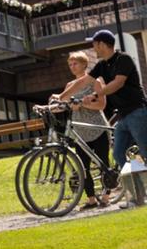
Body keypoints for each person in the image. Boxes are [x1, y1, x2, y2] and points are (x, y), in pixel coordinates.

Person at [58, 29, 147, 170]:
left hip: (137, 113)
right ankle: (140, 185)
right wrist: (61, 96)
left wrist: (94, 95)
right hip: (122, 117)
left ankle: (141, 178)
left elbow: (118, 83)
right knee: (119, 155)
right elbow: (82, 82)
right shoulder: (102, 65)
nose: (93, 48)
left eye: (94, 44)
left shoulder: (123, 59)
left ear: (102, 44)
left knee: (145, 151)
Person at [60, 51, 110, 209]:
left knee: (103, 163)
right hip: (80, 131)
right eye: (70, 64)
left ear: (84, 64)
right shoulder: (69, 86)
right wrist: (47, 107)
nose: (72, 67)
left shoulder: (94, 81)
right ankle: (91, 199)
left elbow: (101, 105)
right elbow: (64, 105)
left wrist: (81, 104)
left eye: (75, 63)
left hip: (97, 128)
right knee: (83, 167)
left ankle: (106, 195)